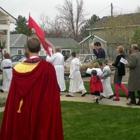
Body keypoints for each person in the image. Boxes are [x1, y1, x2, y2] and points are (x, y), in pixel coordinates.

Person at [0, 37, 64, 140]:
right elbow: (53, 90)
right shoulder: (47, 68)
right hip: (40, 107)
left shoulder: (17, 68)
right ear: (39, 49)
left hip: (21, 107)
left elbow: (13, 95)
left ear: (27, 49)